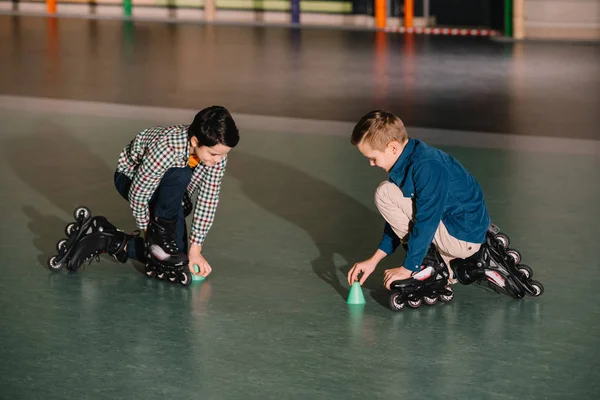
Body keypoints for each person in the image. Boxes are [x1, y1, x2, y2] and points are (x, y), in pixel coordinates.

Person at [61, 105, 239, 278]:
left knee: (178, 258)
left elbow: (208, 200)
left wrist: (195, 249)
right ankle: (108, 238)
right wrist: (149, 234)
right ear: (195, 141)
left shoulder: (217, 156)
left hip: (170, 193)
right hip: (131, 180)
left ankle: (106, 237)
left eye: (224, 154)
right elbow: (139, 194)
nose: (219, 160)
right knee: (180, 175)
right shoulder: (167, 147)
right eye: (214, 154)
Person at [346, 110, 491, 290]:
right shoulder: (410, 157)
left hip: (463, 237)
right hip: (457, 227)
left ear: (392, 148)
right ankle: (435, 258)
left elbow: (426, 220)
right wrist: (374, 260)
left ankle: (431, 265)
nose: (371, 164)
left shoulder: (427, 166)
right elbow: (398, 219)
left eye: (373, 158)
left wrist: (409, 267)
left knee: (384, 193)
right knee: (388, 191)